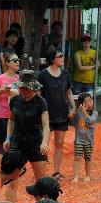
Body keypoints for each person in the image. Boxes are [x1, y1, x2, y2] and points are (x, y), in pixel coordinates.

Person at [5, 70, 51, 181]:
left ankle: (42, 198)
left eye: (27, 88)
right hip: (18, 143)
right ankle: (10, 199)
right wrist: (7, 138)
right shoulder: (14, 101)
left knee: (41, 180)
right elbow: (11, 120)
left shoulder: (41, 102)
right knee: (12, 180)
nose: (24, 90)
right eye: (22, 88)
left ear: (34, 87)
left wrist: (44, 142)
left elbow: (46, 125)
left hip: (36, 144)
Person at [38, 47, 75, 180]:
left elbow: (69, 93)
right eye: (60, 56)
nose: (62, 58)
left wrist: (73, 107)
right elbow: (38, 95)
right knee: (43, 143)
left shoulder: (65, 74)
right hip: (46, 115)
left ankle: (56, 171)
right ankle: (40, 172)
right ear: (52, 59)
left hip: (62, 113)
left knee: (60, 143)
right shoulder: (42, 75)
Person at [0, 51, 21, 155]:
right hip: (3, 114)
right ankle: (1, 168)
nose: (17, 62)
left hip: (16, 114)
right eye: (15, 60)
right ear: (7, 63)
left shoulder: (19, 78)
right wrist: (1, 90)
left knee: (16, 142)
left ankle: (13, 167)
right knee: (2, 143)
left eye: (18, 60)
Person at [72, 92, 97, 182]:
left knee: (88, 158)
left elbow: (90, 121)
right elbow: (72, 120)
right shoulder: (78, 113)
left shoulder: (95, 113)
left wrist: (84, 112)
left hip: (89, 141)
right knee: (77, 157)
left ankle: (87, 175)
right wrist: (76, 111)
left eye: (90, 101)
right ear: (82, 104)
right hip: (79, 139)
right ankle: (76, 176)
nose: (89, 103)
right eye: (86, 102)